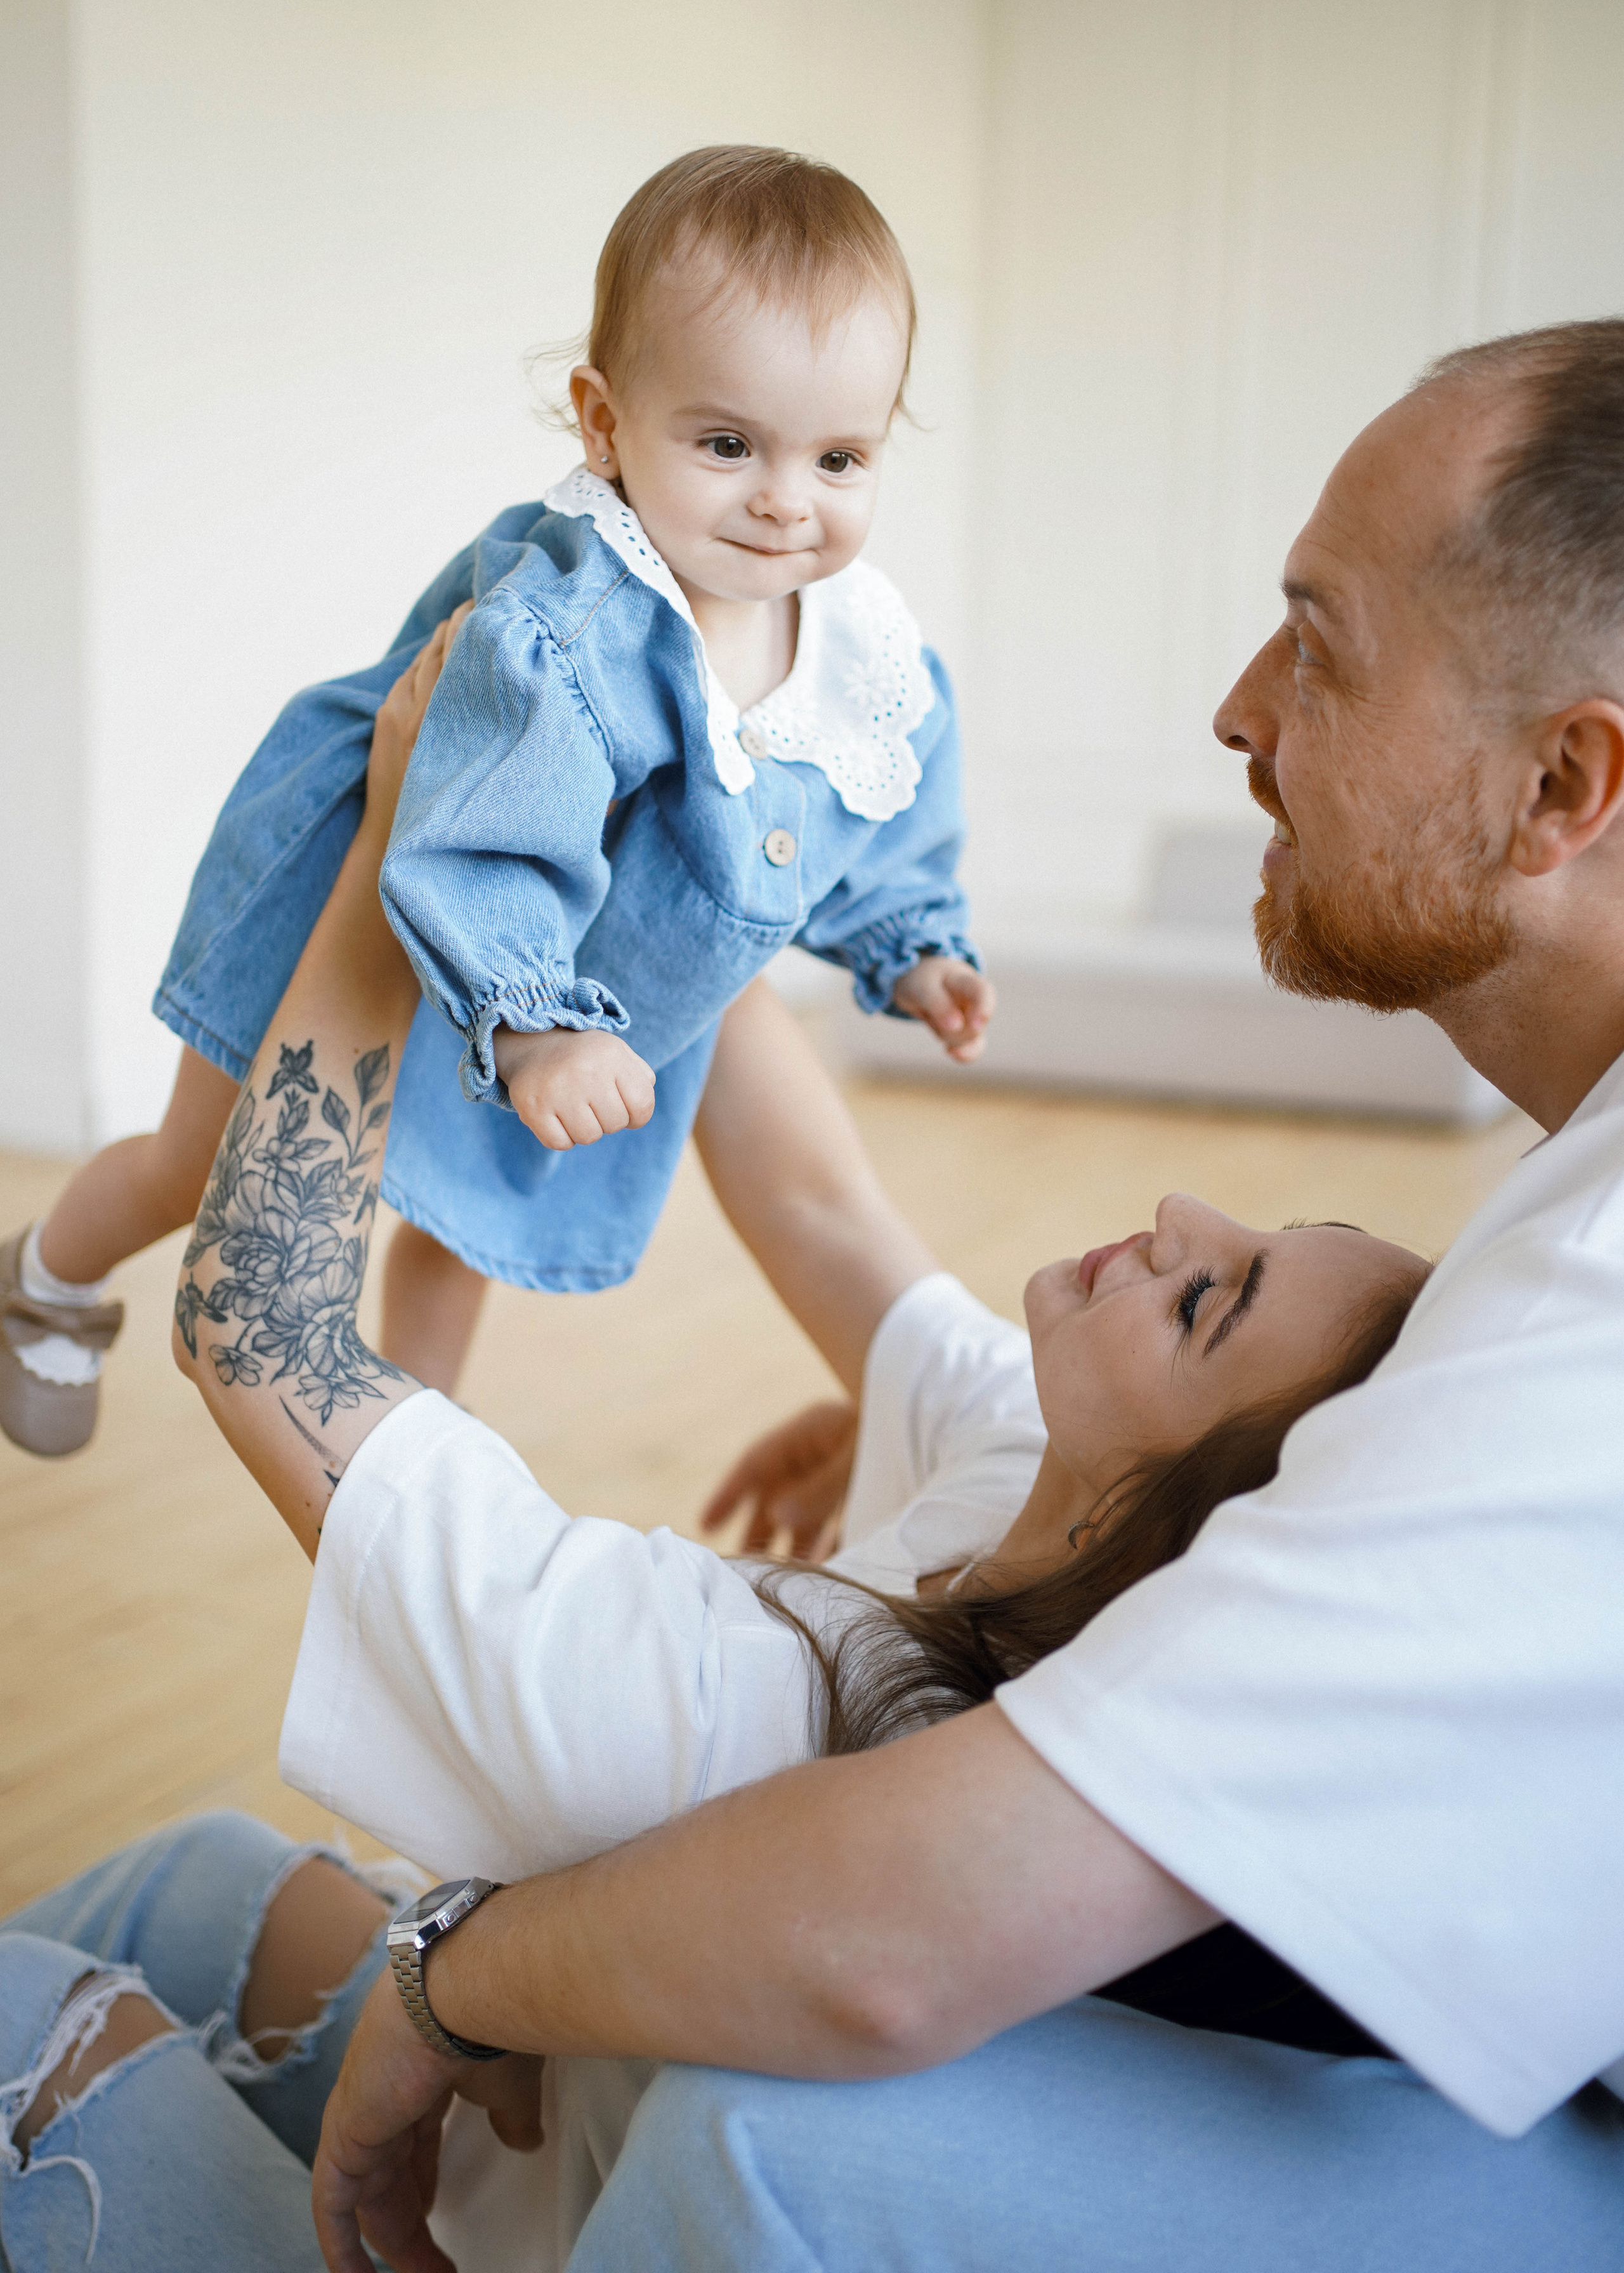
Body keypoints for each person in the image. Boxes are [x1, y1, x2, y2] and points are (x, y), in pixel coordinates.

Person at [292, 317, 1624, 2273]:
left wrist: (445, 1977)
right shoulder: (1526, 1233)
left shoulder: (1581, 1336)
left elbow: (901, 1940)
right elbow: (830, 1218)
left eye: (1320, 644)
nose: (1242, 711)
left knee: (758, 2107)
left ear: (1562, 785)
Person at [0, 633, 1428, 2267]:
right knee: (194, 1873)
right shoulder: (1044, 1485)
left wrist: (417, 853)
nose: (1183, 1216)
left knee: (25, 2009)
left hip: (490, 2243)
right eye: (1262, 1226)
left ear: (1174, 1524)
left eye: (1210, 1306)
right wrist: (692, 770)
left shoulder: (733, 1709)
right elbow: (813, 1200)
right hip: (520, 2160)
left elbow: (259, 1322)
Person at [0, 143, 991, 1458]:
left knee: (462, 1219)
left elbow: (858, 811)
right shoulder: (568, 621)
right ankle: (46, 1276)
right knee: (218, 1157)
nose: (782, 503)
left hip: (570, 966)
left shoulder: (857, 649)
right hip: (403, 887)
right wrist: (530, 1027)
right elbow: (487, 828)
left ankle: (409, 1450)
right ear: (602, 422)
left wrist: (908, 944)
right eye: (725, 443)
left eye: (840, 459)